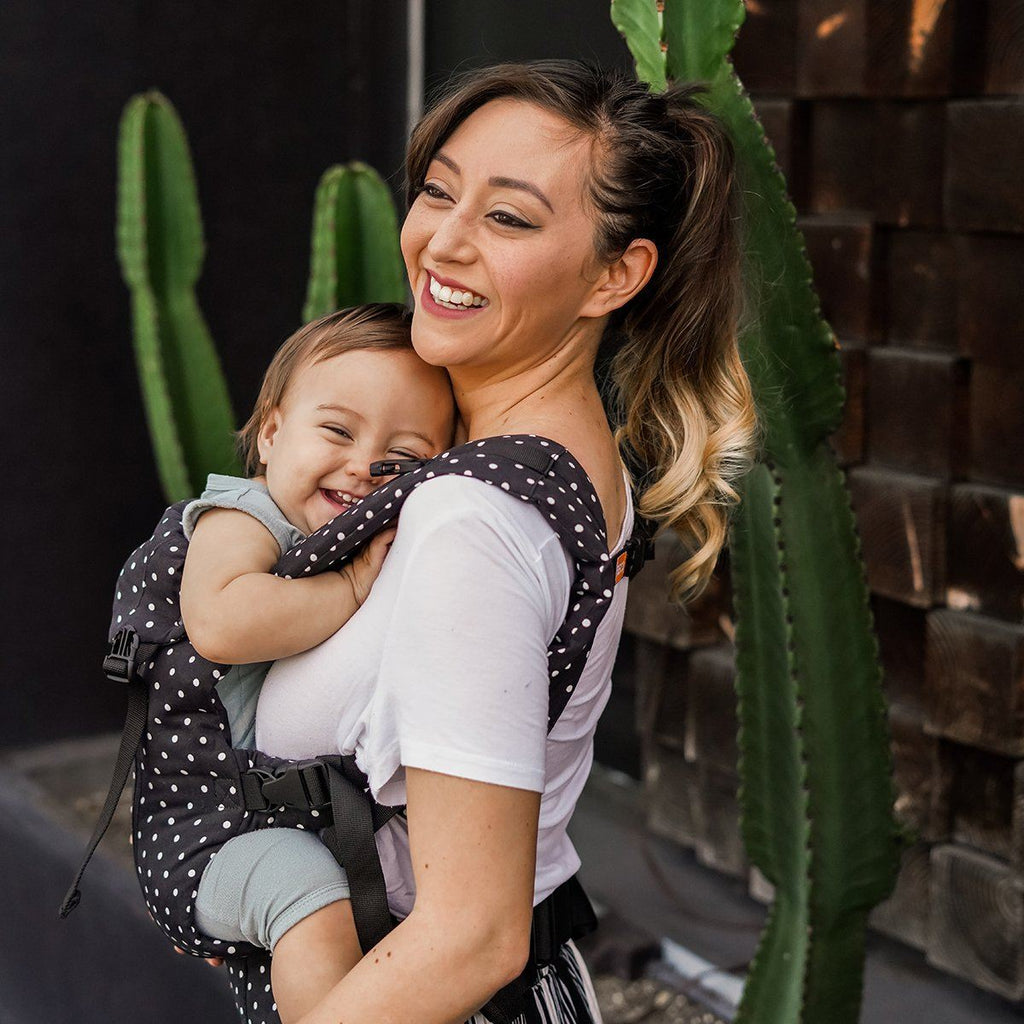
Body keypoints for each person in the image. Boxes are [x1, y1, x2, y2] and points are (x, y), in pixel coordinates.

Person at [234, 60, 760, 1024]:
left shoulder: (472, 519)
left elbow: (470, 935)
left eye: (509, 218)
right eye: (438, 191)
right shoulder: (546, 457)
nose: (444, 240)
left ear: (617, 274)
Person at [176, 302, 457, 1019]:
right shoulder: (242, 517)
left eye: (404, 461)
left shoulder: (355, 541)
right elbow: (220, 623)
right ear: (271, 433)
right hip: (210, 830)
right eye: (337, 430)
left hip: (271, 823)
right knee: (310, 899)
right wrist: (355, 586)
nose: (365, 467)